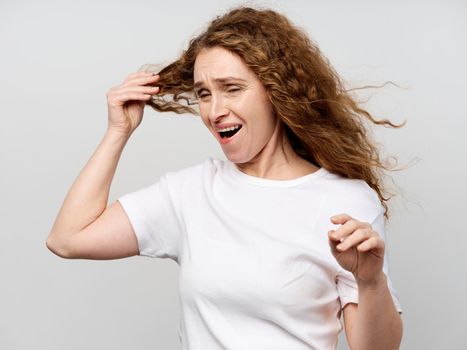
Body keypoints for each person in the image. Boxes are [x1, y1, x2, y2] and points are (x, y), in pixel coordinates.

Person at [46, 6, 404, 350]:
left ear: (276, 91)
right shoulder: (190, 192)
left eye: (232, 88)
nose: (215, 111)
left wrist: (370, 282)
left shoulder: (347, 201)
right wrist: (117, 131)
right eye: (204, 93)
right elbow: (68, 239)